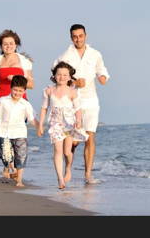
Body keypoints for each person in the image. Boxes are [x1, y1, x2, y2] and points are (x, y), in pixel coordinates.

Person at [53, 24, 110, 184]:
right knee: (74, 140)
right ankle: (69, 167)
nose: (78, 39)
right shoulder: (66, 55)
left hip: (91, 100)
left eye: (80, 36)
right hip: (71, 101)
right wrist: (73, 81)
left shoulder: (95, 54)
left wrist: (102, 77)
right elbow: (55, 71)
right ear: (71, 38)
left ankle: (88, 175)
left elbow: (101, 69)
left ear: (86, 35)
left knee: (90, 136)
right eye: (75, 36)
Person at [0, 29, 34, 177]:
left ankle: (16, 167)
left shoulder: (24, 61)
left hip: (20, 101)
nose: (8, 46)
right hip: (2, 101)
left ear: (16, 44)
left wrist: (17, 78)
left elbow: (31, 84)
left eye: (11, 43)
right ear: (1, 46)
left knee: (17, 136)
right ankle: (8, 164)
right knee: (4, 136)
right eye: (5, 44)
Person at [37, 61, 88, 189]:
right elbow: (44, 108)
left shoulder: (72, 92)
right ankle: (60, 179)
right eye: (59, 74)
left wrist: (79, 121)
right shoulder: (49, 91)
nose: (62, 77)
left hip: (69, 124)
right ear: (54, 76)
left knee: (67, 152)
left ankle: (68, 167)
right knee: (58, 151)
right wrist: (41, 125)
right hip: (55, 124)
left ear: (70, 77)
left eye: (65, 75)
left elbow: (78, 109)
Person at [0, 75, 39, 187]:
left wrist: (39, 127)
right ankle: (9, 167)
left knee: (21, 155)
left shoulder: (25, 104)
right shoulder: (2, 100)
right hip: (4, 132)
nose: (17, 93)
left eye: (20, 91)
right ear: (11, 88)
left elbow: (31, 119)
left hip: (20, 133)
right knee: (5, 155)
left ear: (24, 91)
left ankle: (19, 179)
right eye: (15, 90)